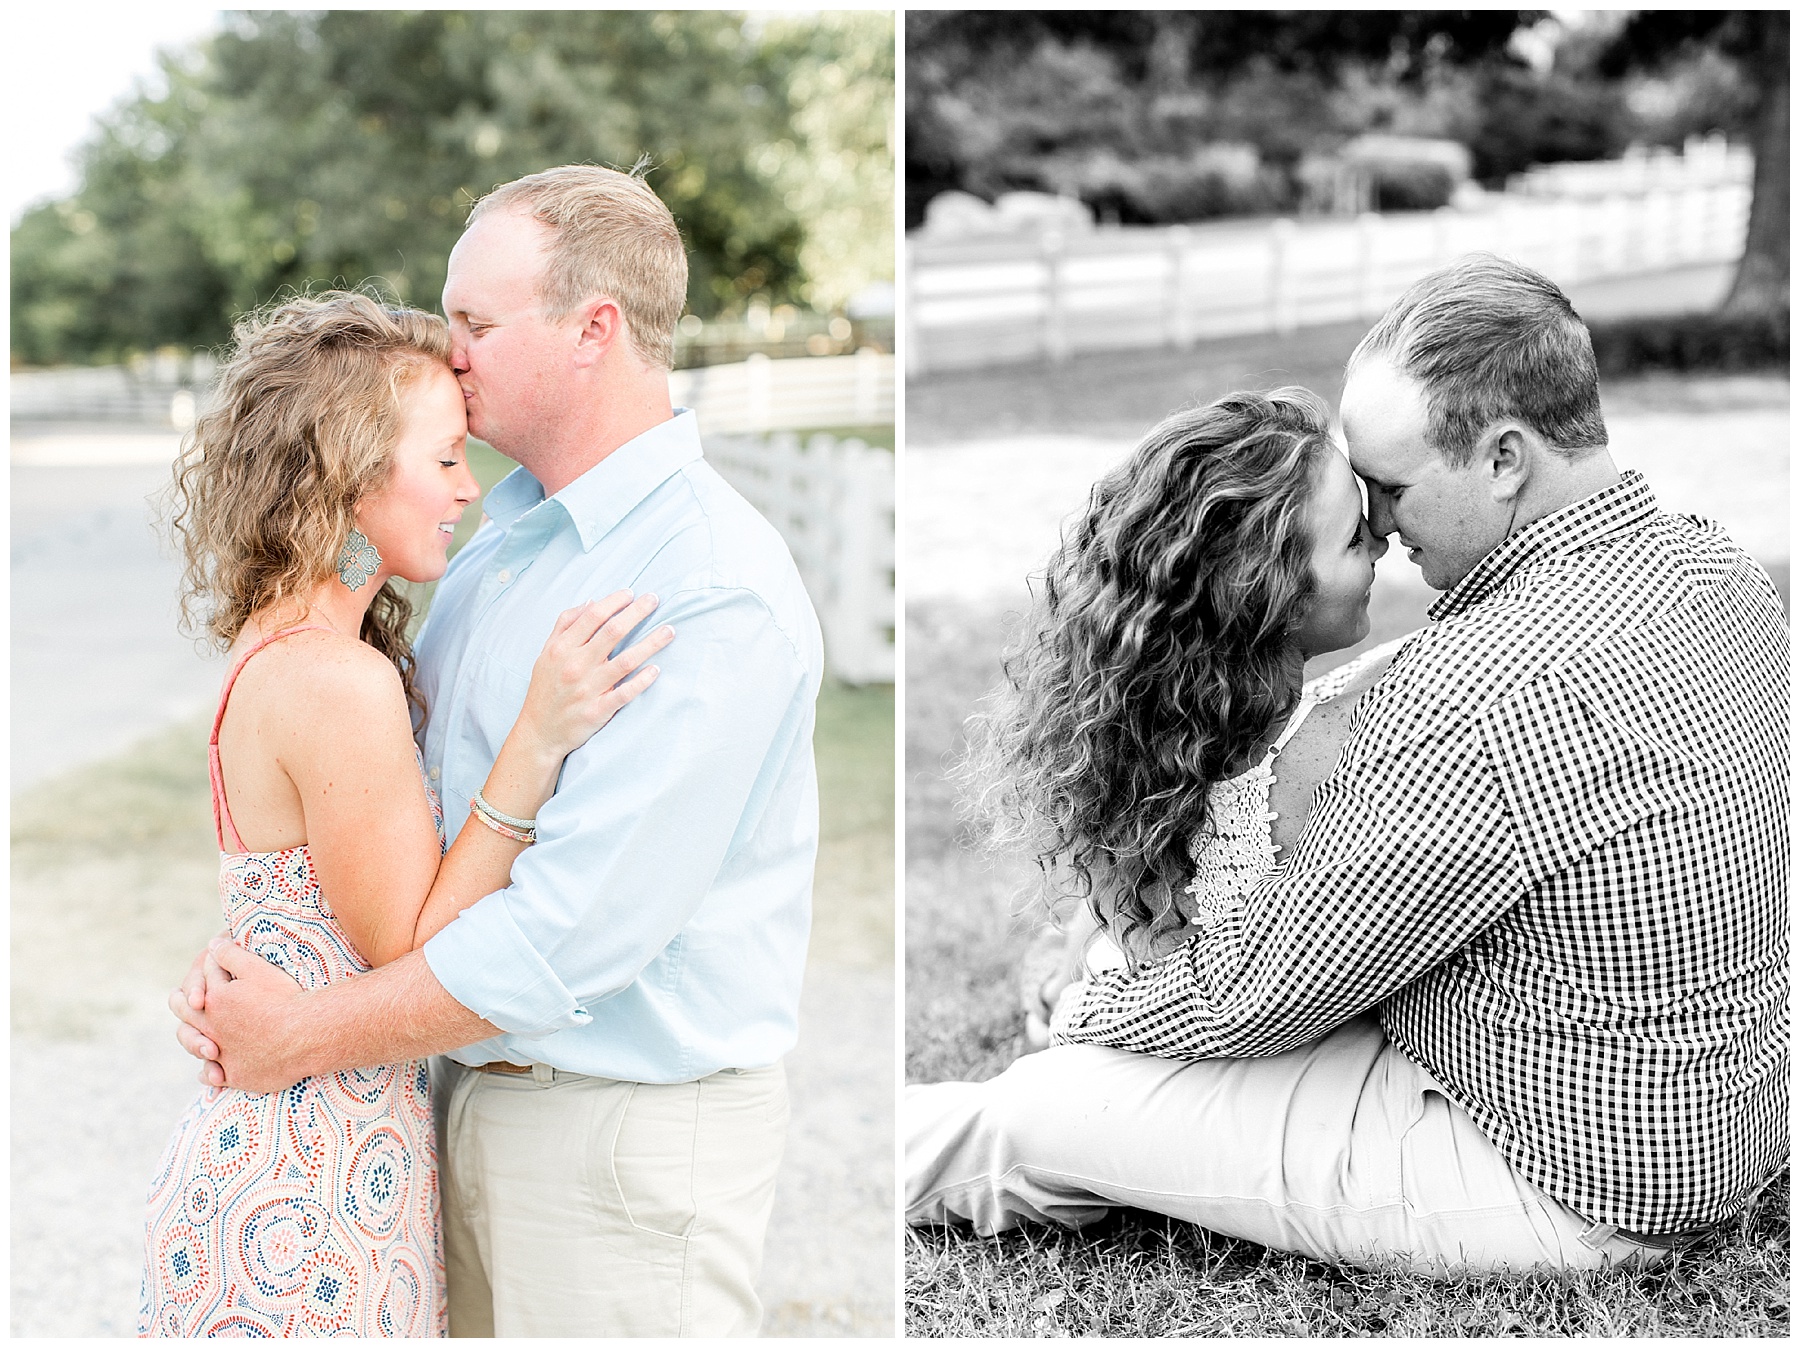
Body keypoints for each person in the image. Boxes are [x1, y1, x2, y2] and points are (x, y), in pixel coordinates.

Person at [907, 254, 1787, 1274]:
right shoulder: (1717, 565)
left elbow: (1264, 990)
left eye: (1390, 486)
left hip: (1566, 1177)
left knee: (1040, 1109)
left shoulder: (1484, 688)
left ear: (1505, 458)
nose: (1378, 519)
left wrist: (1084, 1012)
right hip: (1727, 1106)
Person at [171, 166, 824, 1335]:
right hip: (440, 1096)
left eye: (475, 322)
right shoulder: (494, 546)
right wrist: (269, 958)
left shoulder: (706, 587)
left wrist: (298, 1031)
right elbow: (376, 833)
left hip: (612, 1137)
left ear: (594, 329)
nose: (450, 350)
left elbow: (571, 935)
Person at [140, 291, 672, 1337]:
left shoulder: (282, 645)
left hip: (312, 1149)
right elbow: (408, 940)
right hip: (307, 1190)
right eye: (441, 462)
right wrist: (539, 735)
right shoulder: (336, 679)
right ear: (348, 473)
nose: (468, 490)